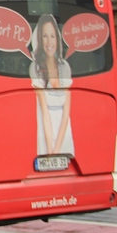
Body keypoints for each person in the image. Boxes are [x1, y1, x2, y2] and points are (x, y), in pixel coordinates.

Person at [30, 14, 74, 156]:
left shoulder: (65, 67)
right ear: (40, 40)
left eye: (52, 36)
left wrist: (58, 149)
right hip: (46, 135)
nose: (49, 42)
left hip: (64, 135)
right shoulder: (35, 68)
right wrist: (51, 151)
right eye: (44, 36)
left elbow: (66, 113)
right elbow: (45, 114)